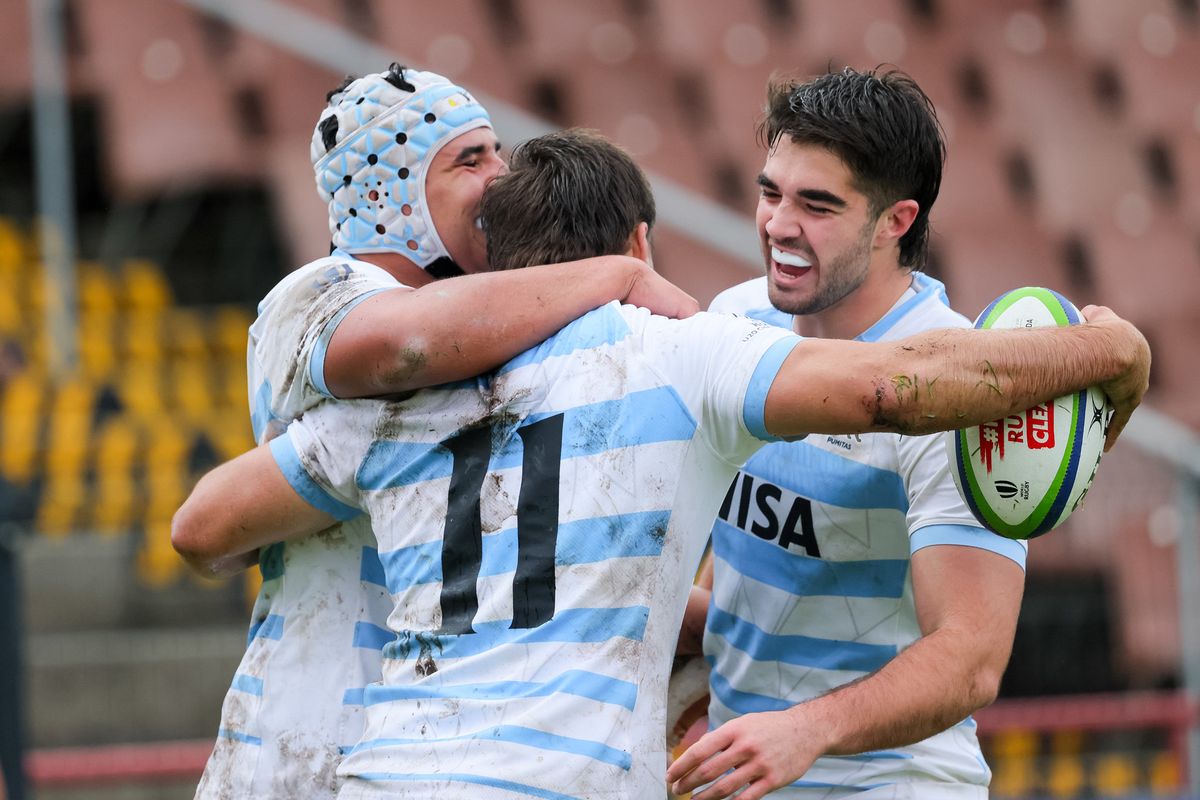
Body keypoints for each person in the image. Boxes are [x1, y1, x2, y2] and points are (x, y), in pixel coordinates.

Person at [173, 129, 1149, 799]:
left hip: (394, 770)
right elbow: (893, 386)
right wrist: (1110, 356)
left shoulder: (394, 408)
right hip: (567, 775)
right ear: (639, 242)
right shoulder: (683, 352)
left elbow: (203, 526)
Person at [193, 65, 697, 800]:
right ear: (385, 194)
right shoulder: (319, 293)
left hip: (422, 751)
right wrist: (617, 276)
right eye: (472, 159)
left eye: (498, 153)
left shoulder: (498, 353)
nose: (501, 179)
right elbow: (407, 345)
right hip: (298, 746)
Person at [666, 67, 1068, 800]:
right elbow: (744, 571)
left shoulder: (960, 386)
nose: (779, 225)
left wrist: (807, 727)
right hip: (745, 774)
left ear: (896, 221)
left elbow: (970, 658)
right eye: (770, 193)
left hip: (892, 784)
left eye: (817, 205)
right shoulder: (733, 319)